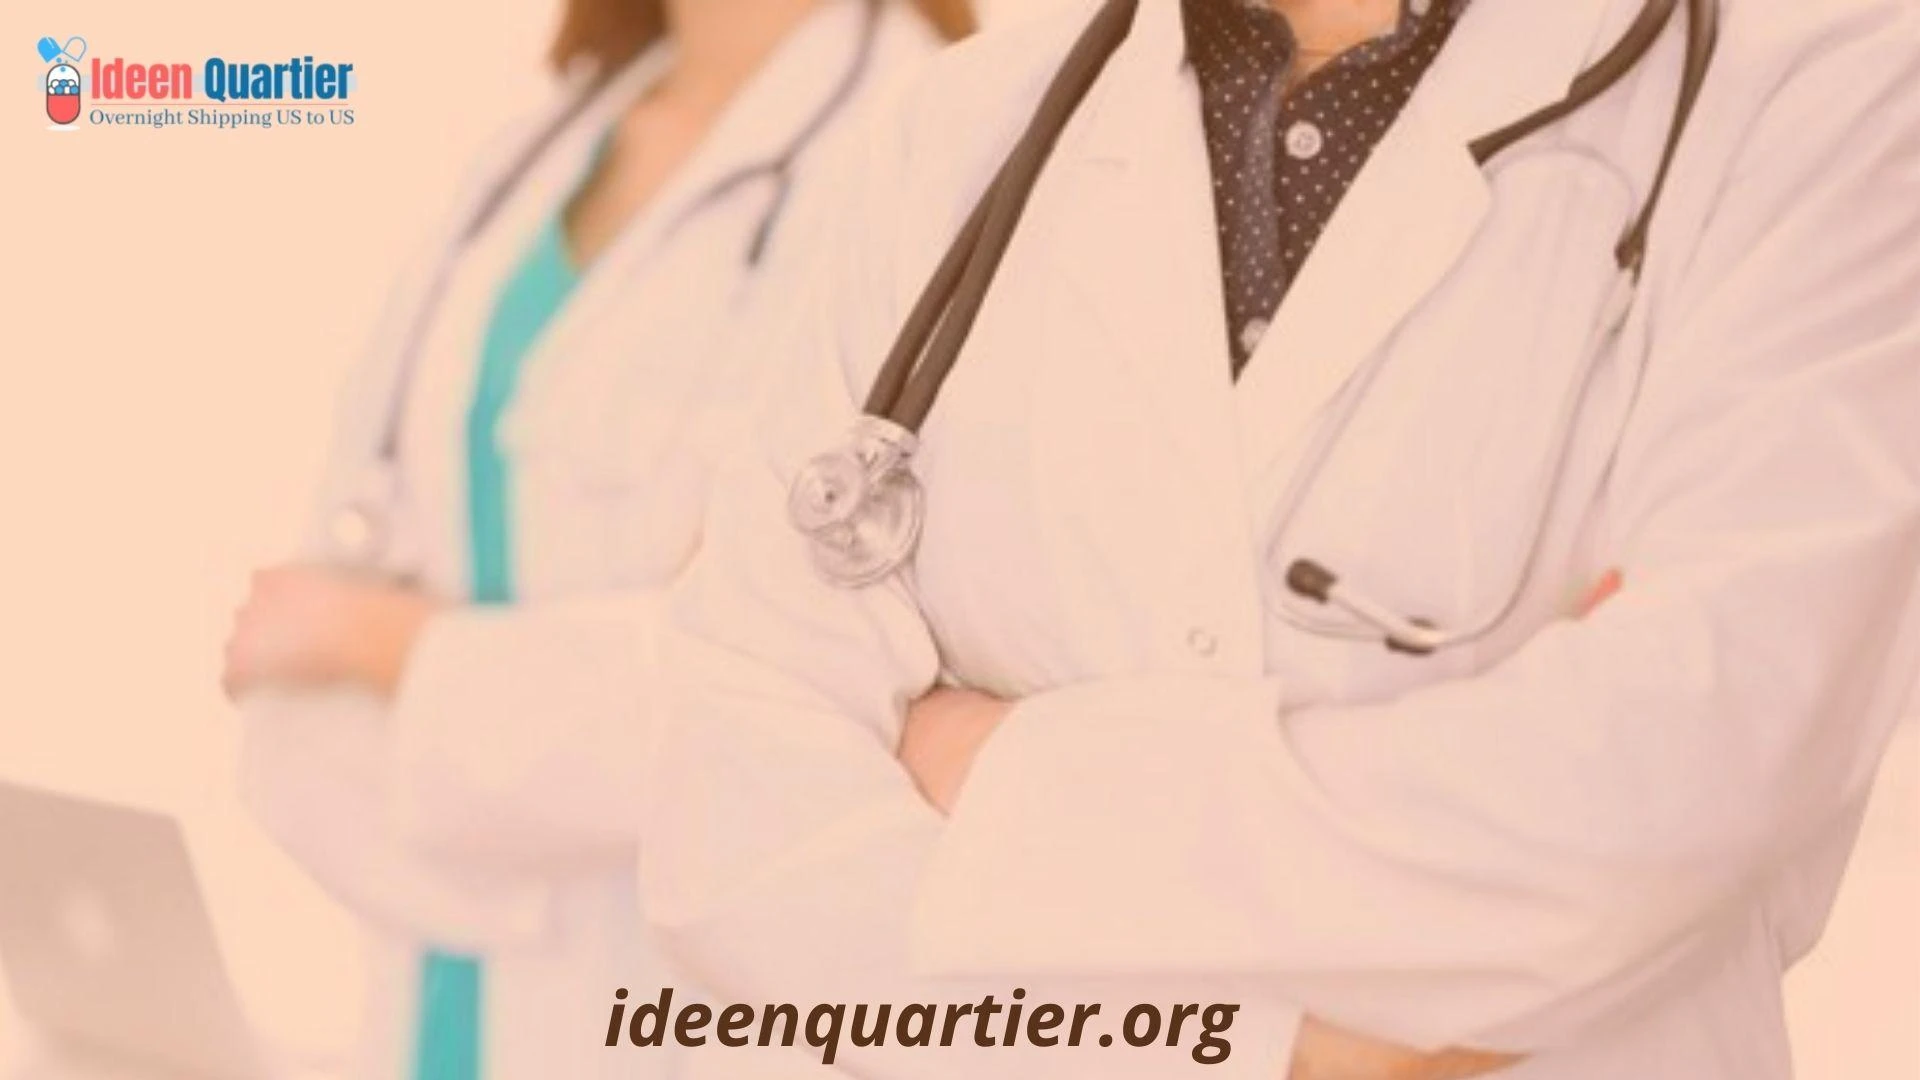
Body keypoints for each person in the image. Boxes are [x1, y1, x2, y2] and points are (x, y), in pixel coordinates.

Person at [644, 0, 1920, 1077]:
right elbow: (732, 812)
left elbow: (1678, 772)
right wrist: (1258, 1049)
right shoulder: (961, 128)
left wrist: (1002, 770)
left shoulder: (1814, 91)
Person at [219, 1, 974, 1077]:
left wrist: (380, 646)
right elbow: (289, 659)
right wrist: (375, 658)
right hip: (442, 990)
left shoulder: (925, 145)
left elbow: (771, 691)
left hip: (688, 1009)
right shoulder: (542, 145)